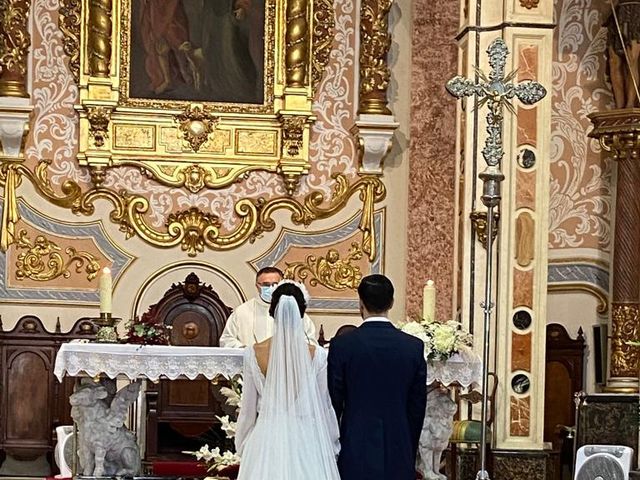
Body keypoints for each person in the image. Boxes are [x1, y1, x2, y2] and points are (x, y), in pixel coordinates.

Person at [234, 281, 341, 480]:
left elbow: (248, 410)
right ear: (302, 313)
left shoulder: (253, 353)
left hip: (266, 441)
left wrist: (243, 446)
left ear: (272, 311)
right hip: (307, 441)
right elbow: (325, 406)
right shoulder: (317, 355)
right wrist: (332, 444)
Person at [328, 274, 427, 480]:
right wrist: (409, 447)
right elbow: (417, 406)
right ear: (391, 302)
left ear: (360, 303)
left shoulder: (342, 345)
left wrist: (333, 443)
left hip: (355, 442)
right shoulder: (413, 347)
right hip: (398, 443)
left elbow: (333, 401)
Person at [219, 267, 317, 348]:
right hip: (251, 366)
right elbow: (226, 340)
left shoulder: (294, 311)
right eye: (266, 285)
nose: (271, 288)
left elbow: (311, 343)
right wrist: (246, 350)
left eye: (275, 284)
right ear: (257, 286)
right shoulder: (242, 312)